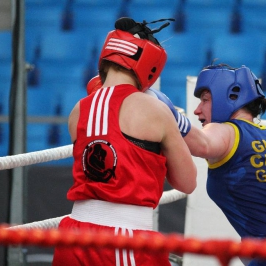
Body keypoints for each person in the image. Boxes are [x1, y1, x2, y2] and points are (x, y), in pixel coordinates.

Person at [152, 63, 266, 265]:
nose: (197, 110)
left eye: (205, 100)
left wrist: (165, 112)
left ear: (229, 97)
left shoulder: (227, 130)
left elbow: (202, 145)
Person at [52, 17, 197, 266]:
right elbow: (187, 182)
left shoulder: (78, 109)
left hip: (73, 236)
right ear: (150, 64)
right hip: (125, 240)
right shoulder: (154, 109)